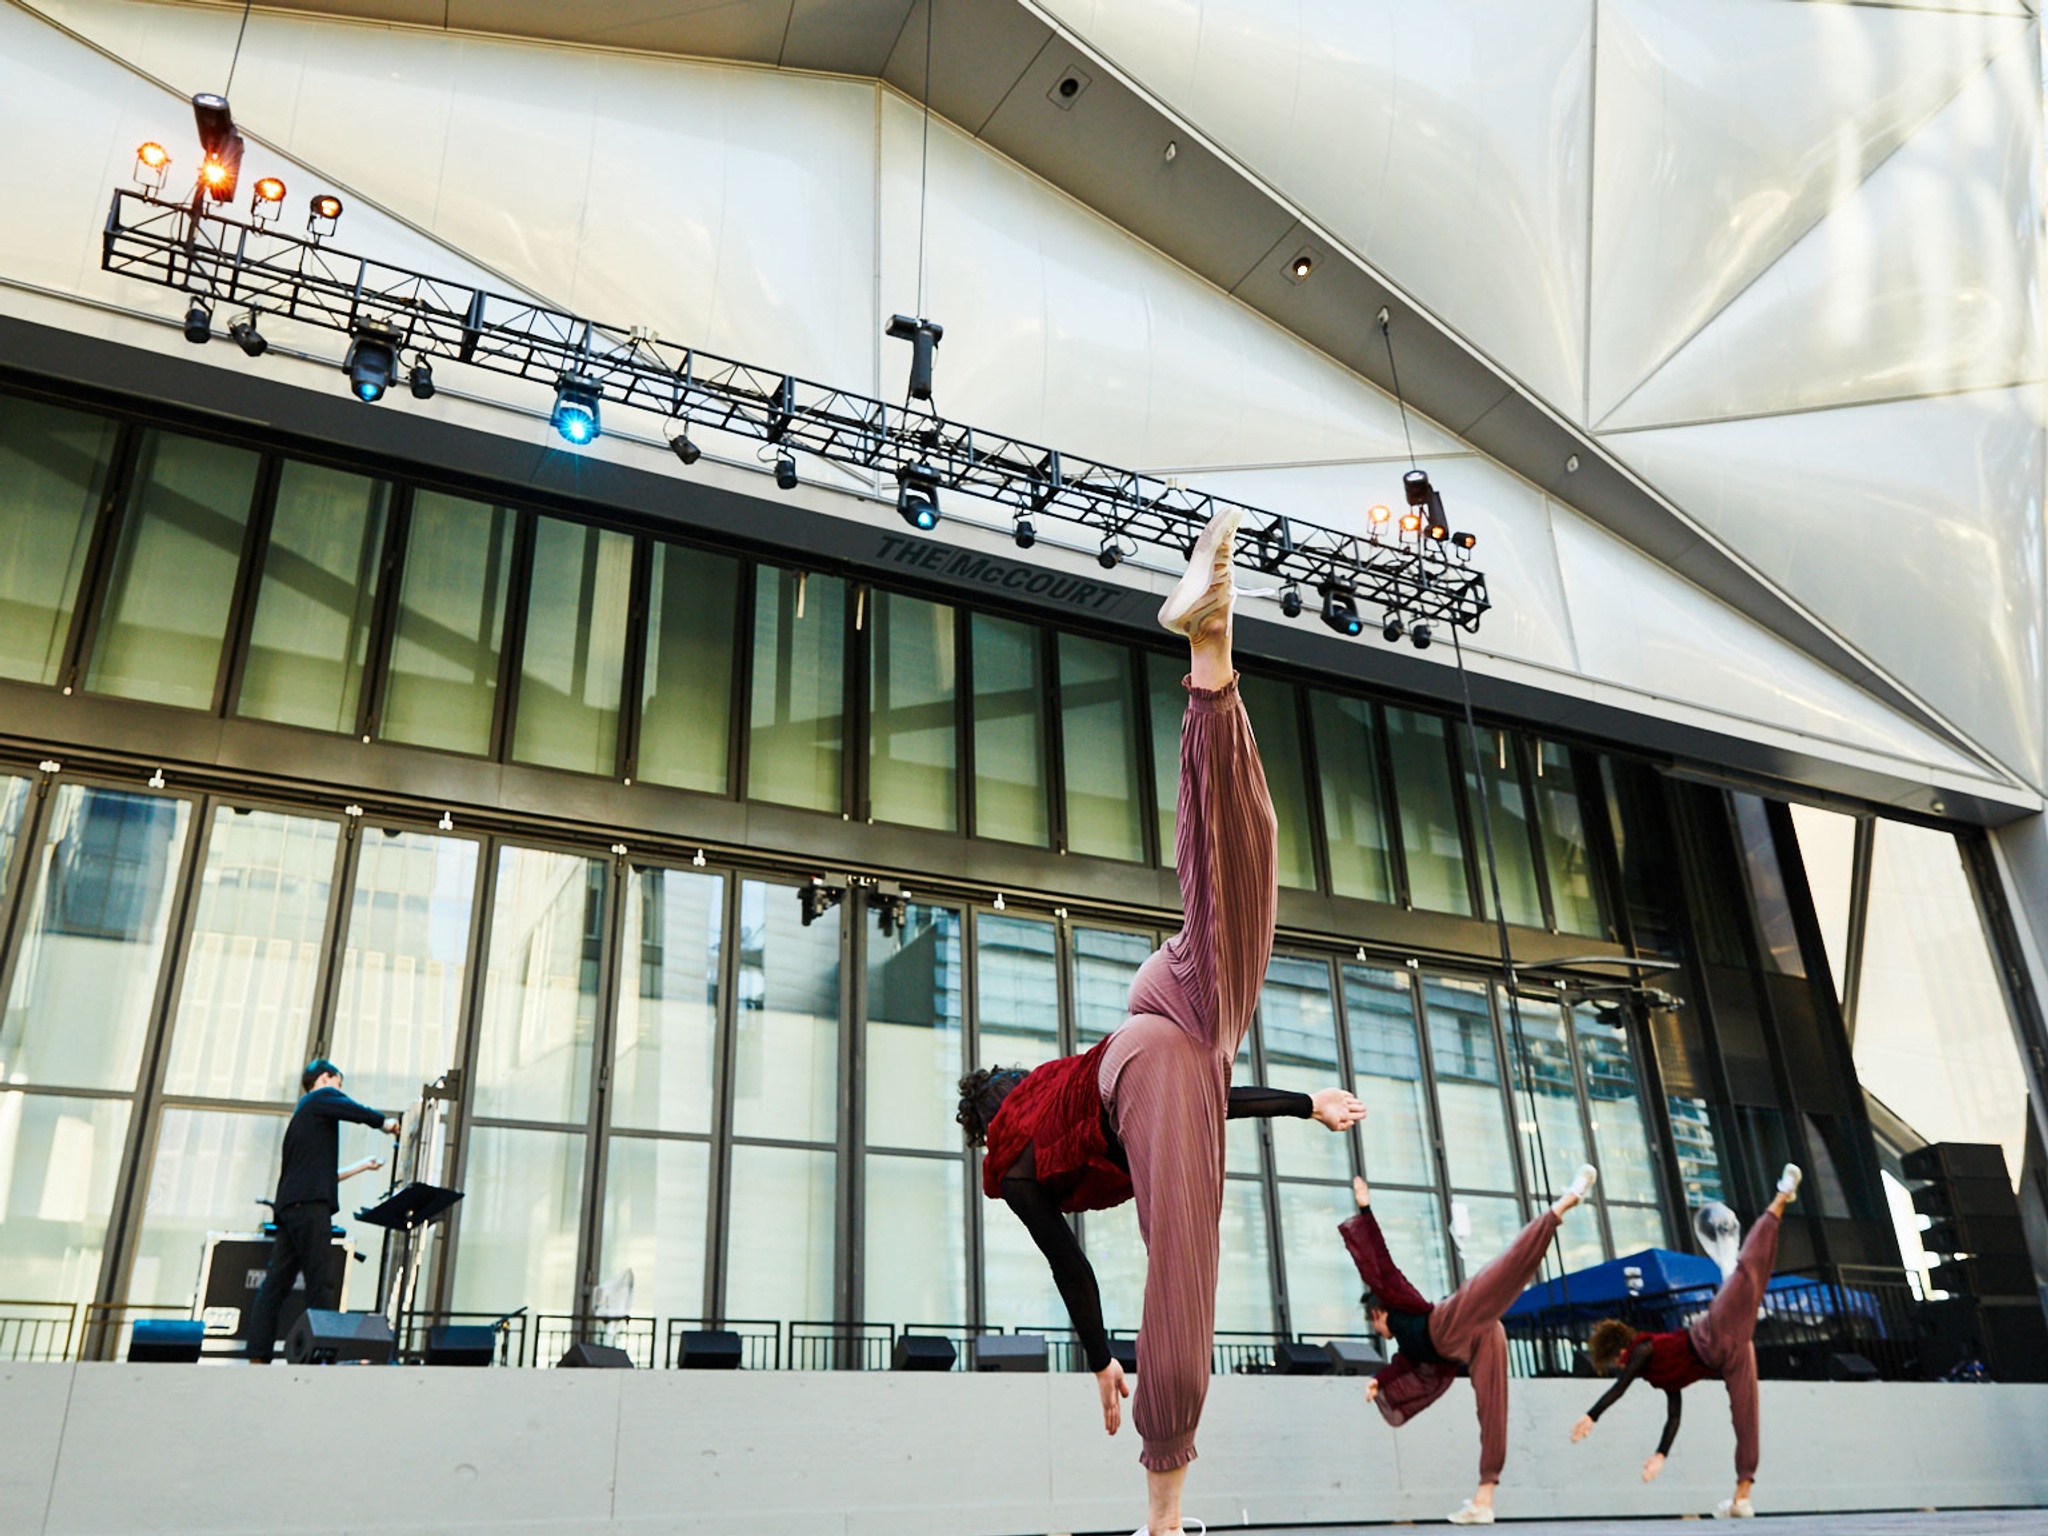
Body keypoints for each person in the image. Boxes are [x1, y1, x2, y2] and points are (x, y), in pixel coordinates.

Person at [957, 507, 1348, 1536]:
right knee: (1234, 883)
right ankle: (1210, 664)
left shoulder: (1013, 1167)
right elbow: (1202, 1086)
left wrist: (1097, 1360)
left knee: (1178, 1270)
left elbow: (1073, 1265)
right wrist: (1304, 1100)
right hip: (1157, 1010)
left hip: (1149, 1059)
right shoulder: (1054, 1083)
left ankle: (1164, 1514)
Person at [1342, 1166, 1598, 1525]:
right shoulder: (1406, 1347)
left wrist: (1365, 1209)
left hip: (1447, 1323)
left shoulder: (1396, 1304)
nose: (1375, 1329)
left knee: (1499, 1275)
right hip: (1473, 1341)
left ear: (1378, 1312)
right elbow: (1403, 1364)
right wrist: (1379, 1380)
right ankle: (1484, 1497)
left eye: (1372, 1321)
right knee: (1492, 1409)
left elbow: (1380, 1265)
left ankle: (1560, 1208)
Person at [1571, 1164, 1804, 1519]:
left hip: (1714, 1330)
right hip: (1731, 1355)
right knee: (1746, 1418)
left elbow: (1621, 1386)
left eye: (1616, 1359)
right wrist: (1660, 1455)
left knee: (1748, 1270)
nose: (1620, 1364)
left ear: (1621, 1350)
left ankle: (1781, 1195)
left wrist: (1591, 1416)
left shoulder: (1644, 1351)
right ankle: (1742, 1497)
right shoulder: (1662, 1376)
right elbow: (1674, 1416)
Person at [244, 1058, 399, 1363]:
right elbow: (354, 1110)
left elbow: (320, 1174)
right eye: (338, 1083)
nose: (339, 1092)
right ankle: (324, 1353)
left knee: (276, 1283)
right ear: (325, 1078)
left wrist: (361, 1166)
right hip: (310, 1208)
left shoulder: (304, 1116)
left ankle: (258, 1354)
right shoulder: (319, 1097)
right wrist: (388, 1125)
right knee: (320, 1279)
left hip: (291, 1207)